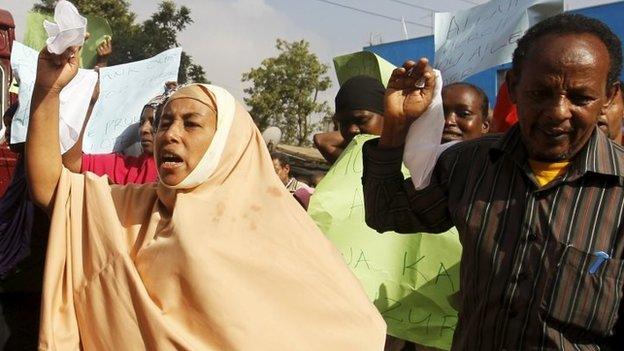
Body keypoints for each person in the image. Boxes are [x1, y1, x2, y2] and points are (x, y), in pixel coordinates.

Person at [27, 45, 386, 350]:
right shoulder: (133, 207)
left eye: (191, 123)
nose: (170, 134)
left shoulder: (277, 226)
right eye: (166, 121)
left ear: (227, 142)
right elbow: (51, 188)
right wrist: (49, 90)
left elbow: (356, 329)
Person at [362, 14, 624, 350]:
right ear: (513, 87)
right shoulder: (468, 164)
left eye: (580, 98)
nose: (558, 111)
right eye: (540, 93)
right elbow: (387, 213)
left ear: (609, 96)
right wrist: (396, 126)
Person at [314, 75, 384, 164]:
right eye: (344, 122)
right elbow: (321, 140)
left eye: (362, 120)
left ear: (387, 115)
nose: (351, 130)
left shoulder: (405, 159)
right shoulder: (357, 163)